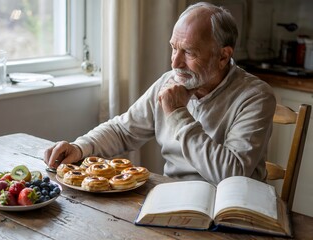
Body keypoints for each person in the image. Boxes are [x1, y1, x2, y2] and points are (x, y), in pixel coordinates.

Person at [44, 2, 276, 186]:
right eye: (174, 48)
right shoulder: (169, 81)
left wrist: (177, 114)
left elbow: (230, 175)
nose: (175, 62)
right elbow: (123, 130)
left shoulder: (255, 96)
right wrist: (80, 147)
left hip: (232, 209)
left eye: (189, 52)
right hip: (175, 200)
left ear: (223, 56)